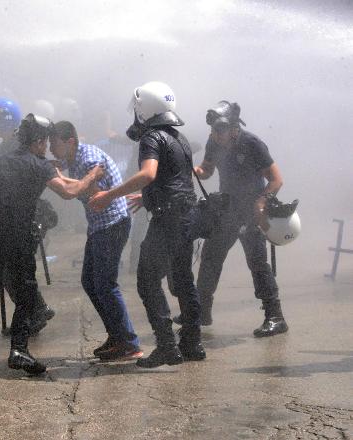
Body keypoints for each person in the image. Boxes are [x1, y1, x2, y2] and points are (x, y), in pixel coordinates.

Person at [0, 113, 104, 375]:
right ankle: (19, 350)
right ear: (40, 142)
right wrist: (92, 176)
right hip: (20, 239)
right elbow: (69, 192)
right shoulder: (40, 166)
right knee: (27, 295)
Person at [89, 81, 205, 368]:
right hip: (186, 216)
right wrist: (147, 196)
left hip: (167, 220)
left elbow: (149, 173)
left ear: (145, 108)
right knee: (183, 280)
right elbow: (178, 179)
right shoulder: (179, 138)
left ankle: (166, 346)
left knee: (147, 280)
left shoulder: (152, 137)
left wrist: (109, 195)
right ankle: (192, 343)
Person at [175, 101, 287, 337]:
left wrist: (261, 202)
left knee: (256, 262)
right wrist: (194, 171)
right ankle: (201, 311)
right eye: (213, 131)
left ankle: (275, 316)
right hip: (226, 210)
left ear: (234, 128)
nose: (215, 135)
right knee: (210, 257)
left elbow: (276, 179)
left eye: (220, 131)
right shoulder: (213, 142)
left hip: (250, 212)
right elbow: (207, 169)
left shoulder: (253, 143)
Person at [50, 120, 142, 361]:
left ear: (69, 142)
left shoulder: (88, 159)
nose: (51, 149)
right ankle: (117, 336)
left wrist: (76, 179)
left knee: (105, 284)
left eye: (54, 144)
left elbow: (95, 193)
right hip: (100, 225)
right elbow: (81, 185)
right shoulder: (75, 159)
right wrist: (61, 175)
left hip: (111, 223)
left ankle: (129, 342)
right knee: (90, 282)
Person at [0, 97, 55, 333]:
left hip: (25, 214)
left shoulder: (9, 146)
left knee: (12, 269)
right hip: (25, 212)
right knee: (13, 269)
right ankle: (36, 309)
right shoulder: (8, 144)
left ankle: (33, 311)